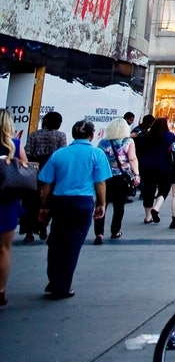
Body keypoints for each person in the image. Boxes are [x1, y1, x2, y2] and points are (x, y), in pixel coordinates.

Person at [36, 121, 110, 300]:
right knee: (72, 244)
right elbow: (100, 182)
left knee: (56, 242)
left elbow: (46, 182)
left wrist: (44, 205)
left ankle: (54, 280)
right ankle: (62, 285)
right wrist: (101, 203)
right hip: (82, 202)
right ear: (92, 135)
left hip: (60, 201)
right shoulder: (96, 153)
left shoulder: (59, 154)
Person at [21, 111, 67, 243]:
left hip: (35, 171)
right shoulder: (60, 136)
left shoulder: (34, 135)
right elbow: (62, 154)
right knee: (49, 202)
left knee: (30, 202)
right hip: (53, 171)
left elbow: (27, 153)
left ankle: (29, 232)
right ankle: (43, 228)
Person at [0, 110, 29, 307]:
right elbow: (25, 170)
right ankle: (0, 290)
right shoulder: (14, 145)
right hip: (7, 202)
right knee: (3, 249)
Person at [95, 117, 138, 243]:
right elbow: (132, 159)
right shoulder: (128, 141)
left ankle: (99, 233)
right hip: (121, 177)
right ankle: (115, 231)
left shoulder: (103, 142)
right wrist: (136, 175)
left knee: (101, 204)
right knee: (119, 206)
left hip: (105, 177)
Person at [136, 115, 173, 224]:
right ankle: (156, 207)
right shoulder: (170, 136)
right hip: (164, 166)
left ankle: (147, 217)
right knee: (165, 187)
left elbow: (140, 151)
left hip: (147, 167)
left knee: (148, 190)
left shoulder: (147, 136)